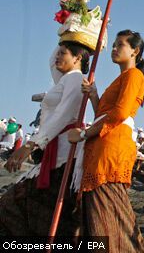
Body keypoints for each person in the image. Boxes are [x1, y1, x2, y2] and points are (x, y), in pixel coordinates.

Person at [68, 30, 144, 252]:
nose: (114, 48)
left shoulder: (134, 76)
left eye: (120, 44)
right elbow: (102, 115)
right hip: (101, 145)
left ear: (135, 51)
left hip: (111, 149)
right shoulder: (120, 78)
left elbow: (120, 113)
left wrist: (84, 134)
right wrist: (94, 95)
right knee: (99, 216)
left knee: (109, 214)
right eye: (113, 44)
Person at [0, 42, 91, 236]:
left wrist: (30, 146)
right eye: (58, 53)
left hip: (66, 156)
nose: (57, 57)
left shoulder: (75, 79)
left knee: (38, 209)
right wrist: (69, 25)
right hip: (54, 150)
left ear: (77, 58)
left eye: (63, 53)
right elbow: (52, 61)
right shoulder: (64, 78)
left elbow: (62, 116)